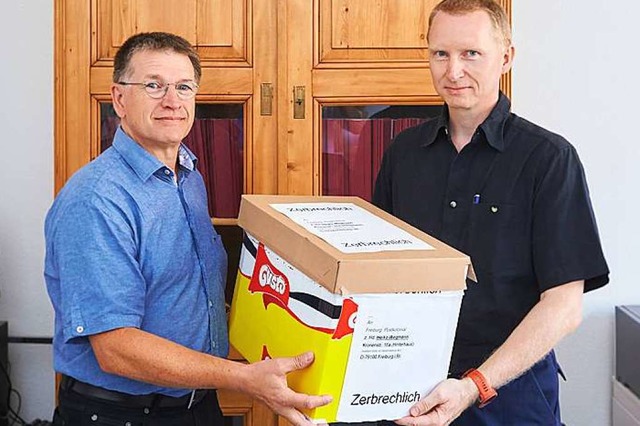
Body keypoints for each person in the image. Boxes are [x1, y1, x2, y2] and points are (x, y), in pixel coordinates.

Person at [45, 32, 331, 426]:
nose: (172, 101)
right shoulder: (96, 199)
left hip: (196, 407)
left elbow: (192, 300)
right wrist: (244, 378)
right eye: (153, 85)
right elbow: (116, 347)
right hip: (119, 415)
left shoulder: (187, 177)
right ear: (119, 98)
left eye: (183, 87)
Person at [369, 1, 609, 425]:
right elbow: (378, 278)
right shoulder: (402, 155)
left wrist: (474, 385)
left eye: (471, 54)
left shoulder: (548, 159)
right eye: (440, 54)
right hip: (409, 394)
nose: (453, 71)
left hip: (509, 398)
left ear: (506, 57)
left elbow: (564, 306)